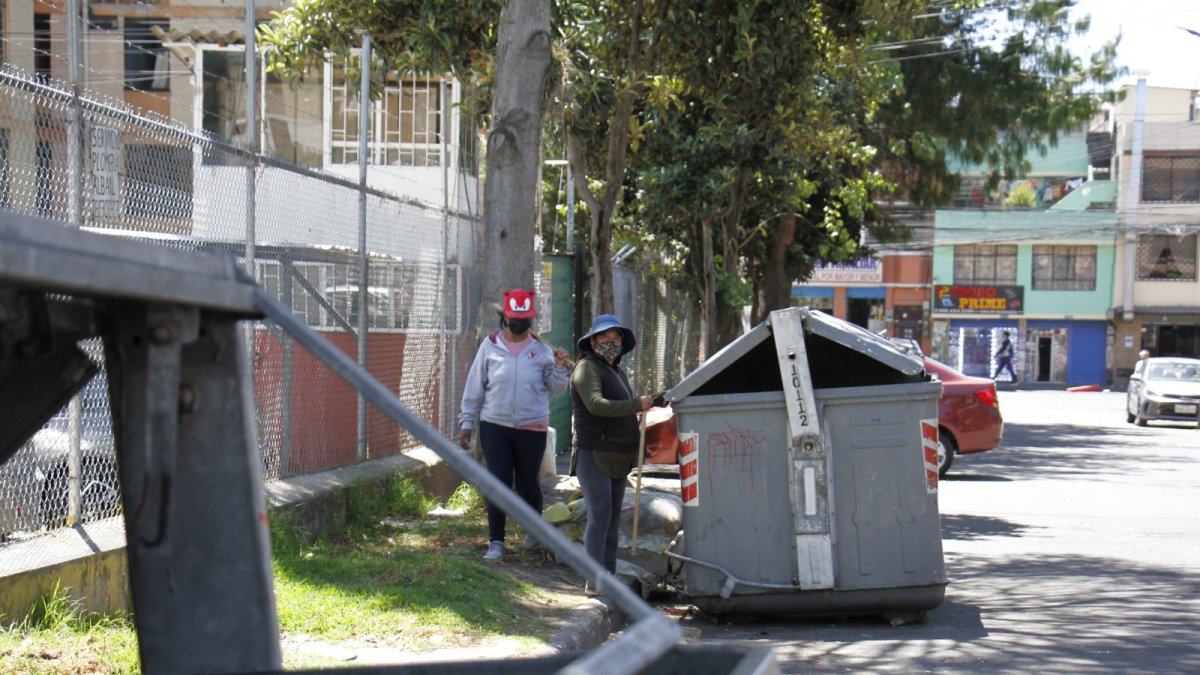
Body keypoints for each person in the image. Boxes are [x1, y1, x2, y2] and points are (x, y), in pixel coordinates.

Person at [458, 289, 572, 561]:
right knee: (498, 482)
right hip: (494, 426)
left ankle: (534, 533)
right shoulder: (489, 346)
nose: (519, 325)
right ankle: (496, 541)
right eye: (514, 319)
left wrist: (560, 367)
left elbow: (557, 389)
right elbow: (475, 386)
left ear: (530, 320)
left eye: (525, 320)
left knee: (528, 485)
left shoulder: (543, 350)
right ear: (504, 317)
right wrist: (466, 422)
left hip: (532, 428)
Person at [569, 314, 653, 591]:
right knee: (600, 515)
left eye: (615, 338)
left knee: (613, 518)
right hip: (593, 453)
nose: (610, 343)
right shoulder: (585, 368)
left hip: (619, 455)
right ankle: (594, 579)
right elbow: (596, 405)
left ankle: (610, 575)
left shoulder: (618, 371)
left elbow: (626, 407)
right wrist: (635, 405)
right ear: (592, 341)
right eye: (604, 338)